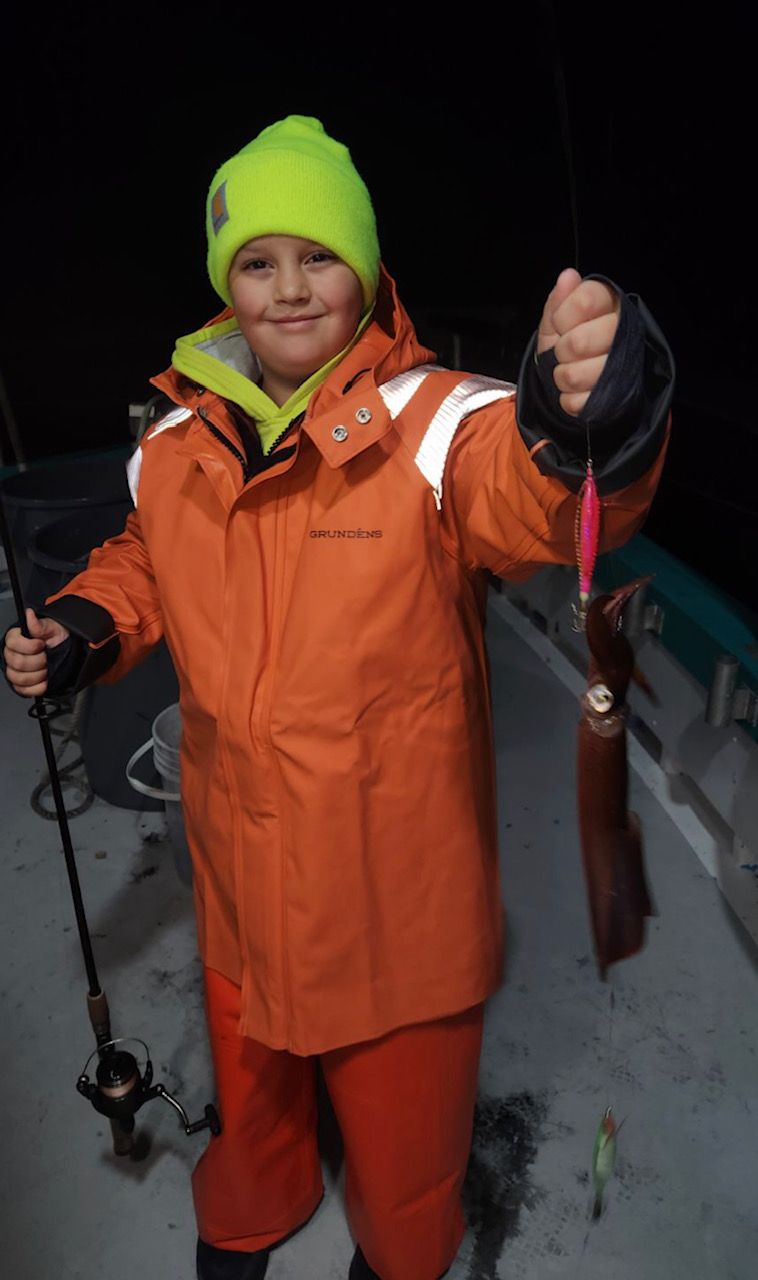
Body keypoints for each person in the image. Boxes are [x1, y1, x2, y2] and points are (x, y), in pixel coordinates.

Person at [2, 115, 674, 1280]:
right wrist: (85, 625)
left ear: (362, 267)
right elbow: (145, 558)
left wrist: (590, 413)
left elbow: (533, 493)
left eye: (318, 254)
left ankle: (401, 1250)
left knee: (406, 1136)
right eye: (256, 262)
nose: (290, 287)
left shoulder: (438, 420)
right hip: (239, 872)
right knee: (250, 1086)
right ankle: (249, 1209)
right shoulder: (169, 438)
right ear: (226, 285)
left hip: (395, 900)